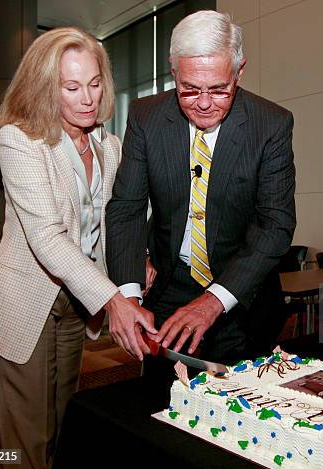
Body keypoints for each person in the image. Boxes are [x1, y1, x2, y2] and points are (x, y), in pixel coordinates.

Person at [0, 27, 155, 469]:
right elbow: (47, 236)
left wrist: (137, 259)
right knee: (25, 438)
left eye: (94, 84)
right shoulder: (19, 139)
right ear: (45, 87)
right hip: (25, 301)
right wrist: (112, 299)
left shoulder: (109, 146)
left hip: (75, 304)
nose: (87, 98)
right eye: (71, 87)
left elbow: (114, 220)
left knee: (60, 422)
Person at [105, 10, 296, 374]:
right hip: (168, 288)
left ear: (239, 71)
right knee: (162, 407)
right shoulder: (146, 116)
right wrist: (128, 295)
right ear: (174, 71)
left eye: (220, 89)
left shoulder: (270, 124)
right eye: (189, 89)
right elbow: (126, 208)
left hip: (240, 295)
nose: (204, 103)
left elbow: (275, 225)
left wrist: (213, 302)